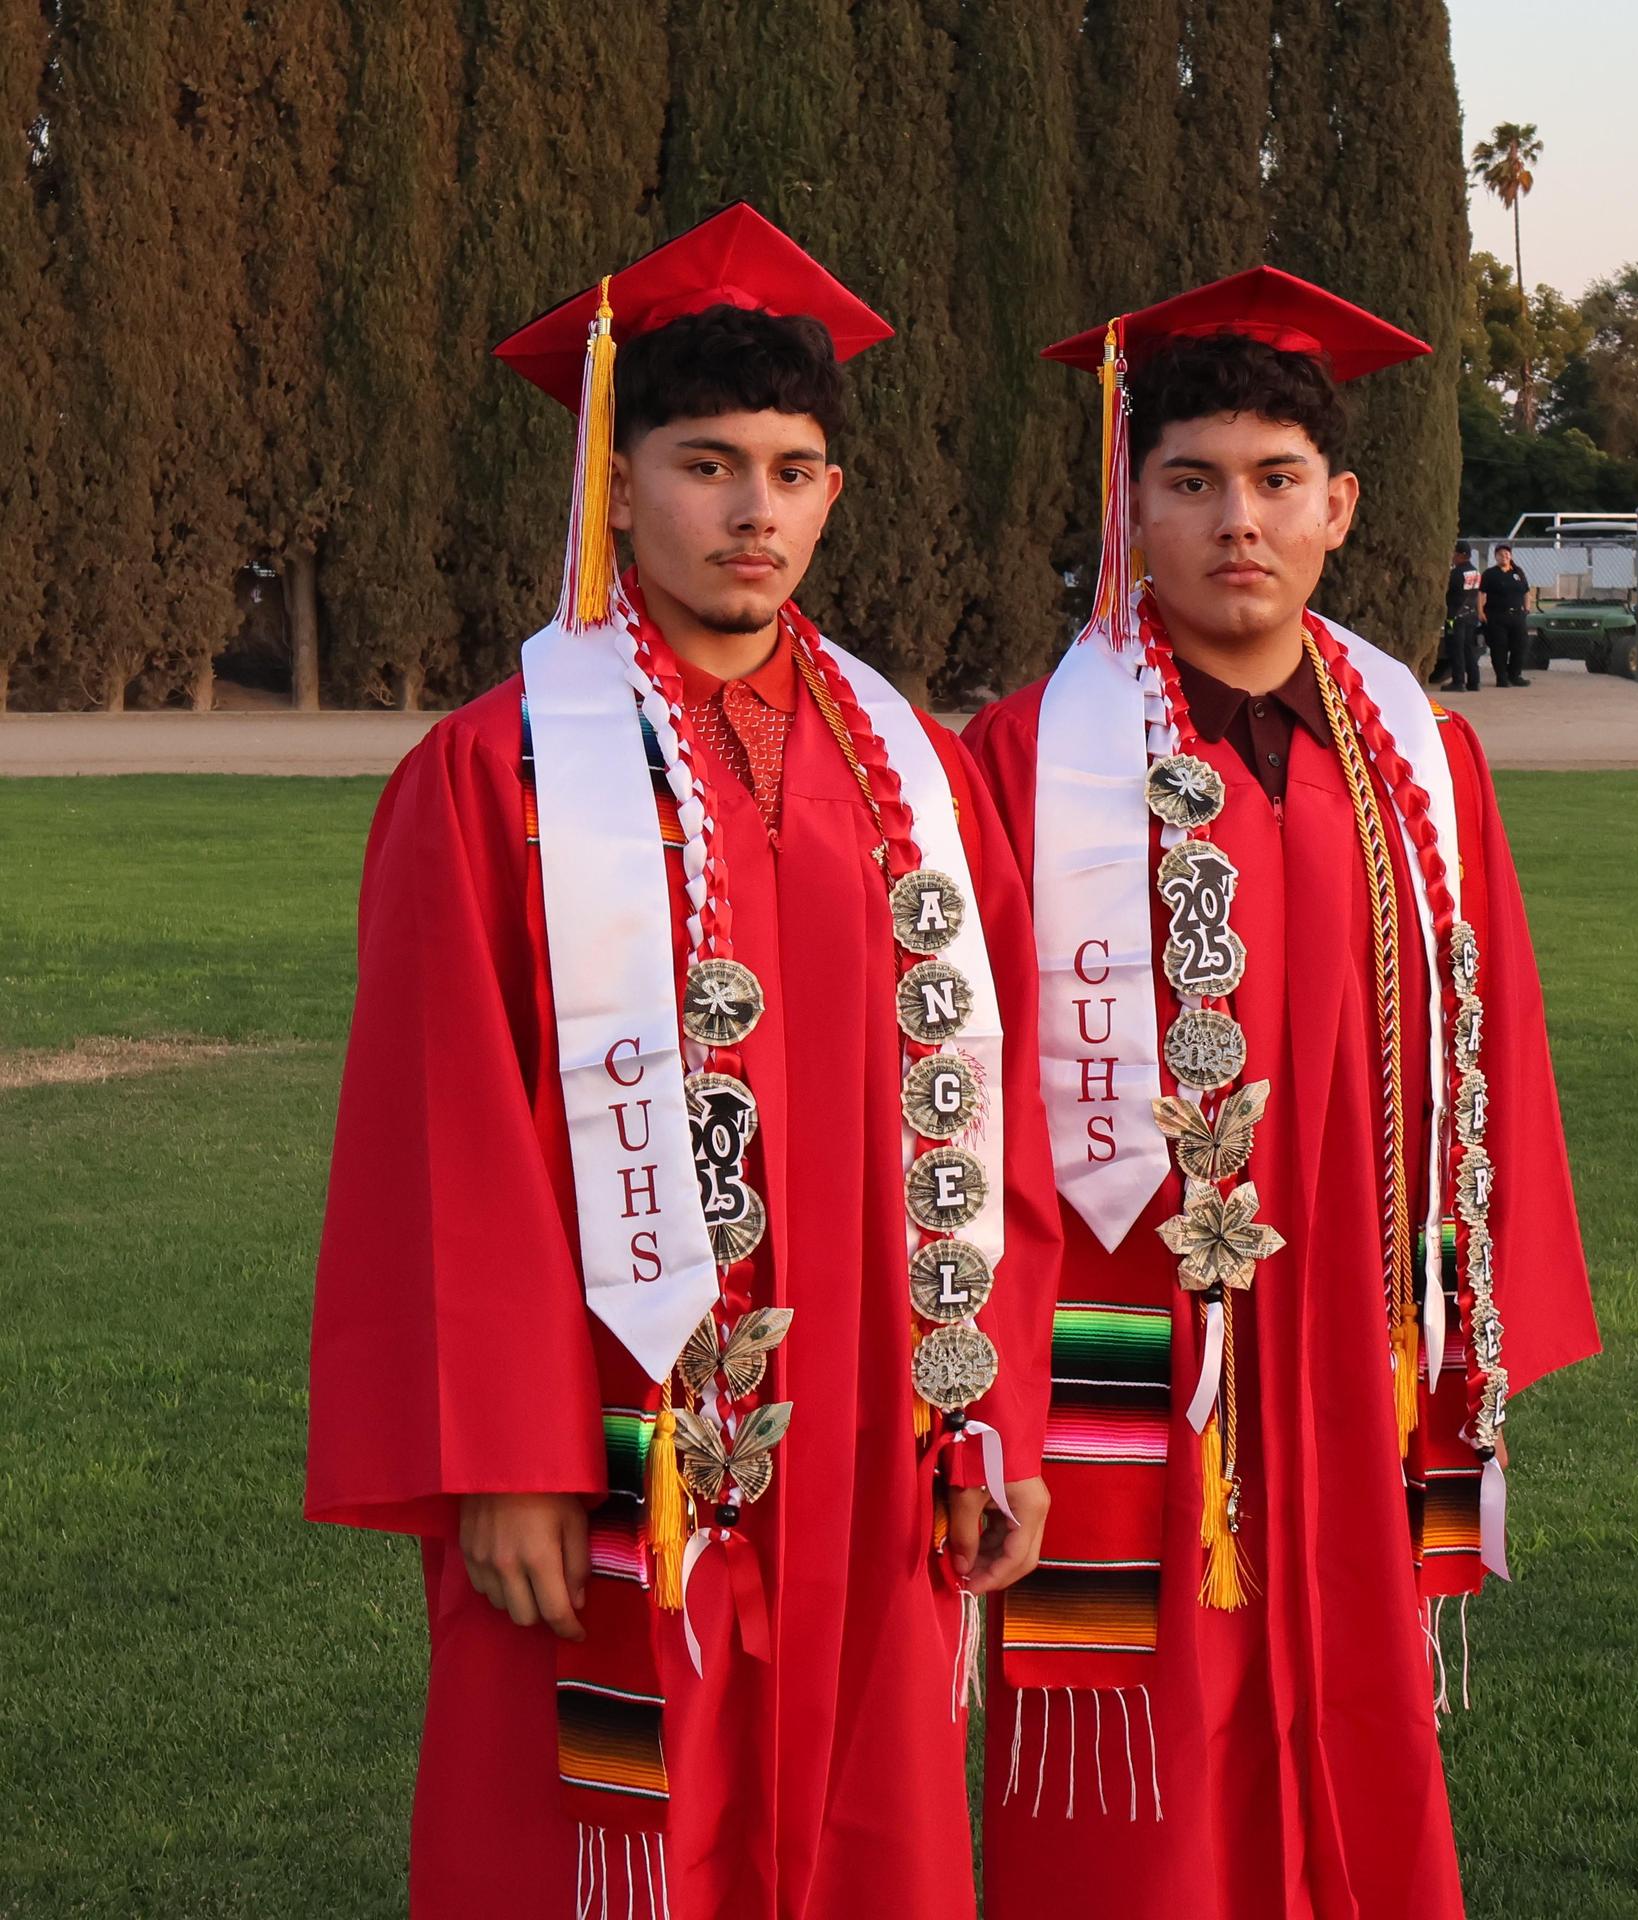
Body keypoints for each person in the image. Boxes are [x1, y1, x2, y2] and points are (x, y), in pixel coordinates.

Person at [306, 204, 1061, 1920]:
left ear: (832, 499)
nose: (753, 510)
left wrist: (992, 1417)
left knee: (859, 1821)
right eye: (707, 464)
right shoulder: (500, 772)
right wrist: (502, 1452)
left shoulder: (911, 778)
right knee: (605, 1819)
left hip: (872, 1414)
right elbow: (448, 1130)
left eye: (792, 472)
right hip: (608, 1422)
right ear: (615, 482)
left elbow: (991, 1120)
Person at [962, 268, 1599, 1919]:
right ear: (1131, 506)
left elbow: (1498, 1041)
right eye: (1190, 482)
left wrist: (1479, 1309)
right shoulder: (1027, 756)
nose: (1235, 521)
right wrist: (988, 1367)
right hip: (1131, 1332)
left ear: (1340, 509)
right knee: (1141, 1721)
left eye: (1274, 481)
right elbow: (954, 1092)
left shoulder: (1420, 755)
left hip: (1356, 1326)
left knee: (1352, 1679)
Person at [1480, 542, 1533, 686]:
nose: (1504, 556)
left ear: (1510, 556)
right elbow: (1481, 593)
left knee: (1520, 646)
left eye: (1506, 554)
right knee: (1499, 647)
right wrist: (1480, 611)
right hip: (1497, 616)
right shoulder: (1490, 574)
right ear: (1496, 557)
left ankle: (1515, 675)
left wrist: (1526, 608)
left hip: (1516, 616)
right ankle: (1502, 677)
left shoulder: (1517, 573)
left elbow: (1526, 592)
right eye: (1500, 554)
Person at [1444, 540, 1482, 691]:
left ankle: (1458, 681)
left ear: (1460, 555)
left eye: (1454, 553)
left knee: (1456, 648)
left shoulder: (1456, 573)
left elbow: (1447, 592)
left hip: (1454, 618)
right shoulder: (1475, 572)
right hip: (1470, 616)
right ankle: (1474, 681)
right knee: (1469, 648)